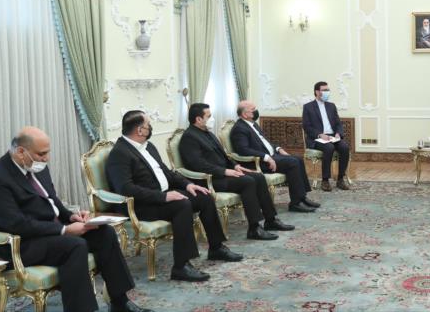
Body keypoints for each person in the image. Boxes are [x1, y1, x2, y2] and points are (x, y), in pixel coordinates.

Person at [0, 127, 150, 312]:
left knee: (104, 233)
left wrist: (70, 216)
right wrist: (64, 230)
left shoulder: (36, 166)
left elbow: (52, 200)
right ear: (21, 152)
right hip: (19, 244)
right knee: (74, 245)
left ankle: (120, 302)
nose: (46, 158)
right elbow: (17, 224)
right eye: (41, 154)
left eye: (47, 152)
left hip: (46, 231)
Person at [106, 111, 242, 282]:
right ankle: (181, 266)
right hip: (141, 205)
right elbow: (126, 188)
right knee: (182, 205)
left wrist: (188, 185)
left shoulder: (148, 146)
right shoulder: (120, 153)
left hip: (162, 195)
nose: (150, 127)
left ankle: (216, 248)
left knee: (204, 195)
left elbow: (167, 172)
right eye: (148, 125)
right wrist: (163, 197)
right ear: (140, 130)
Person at [179, 103, 295, 240]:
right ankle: (254, 228)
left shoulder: (208, 133)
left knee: (258, 177)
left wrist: (235, 166)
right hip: (209, 179)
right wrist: (224, 171)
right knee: (247, 181)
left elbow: (224, 156)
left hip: (223, 174)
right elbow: (197, 165)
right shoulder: (189, 137)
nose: (212, 119)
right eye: (209, 116)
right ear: (198, 119)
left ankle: (271, 220)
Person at [230, 100, 321, 213]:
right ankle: (296, 203)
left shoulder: (253, 124)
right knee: (292, 163)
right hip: (259, 162)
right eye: (253, 110)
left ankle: (302, 197)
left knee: (298, 158)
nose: (256, 111)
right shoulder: (239, 129)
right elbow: (243, 150)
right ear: (244, 114)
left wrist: (278, 148)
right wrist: (266, 157)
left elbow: (265, 142)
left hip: (273, 155)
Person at [302, 81, 351, 191]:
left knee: (344, 147)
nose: (327, 92)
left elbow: (338, 123)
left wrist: (338, 133)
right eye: (324, 90)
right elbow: (306, 126)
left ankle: (340, 179)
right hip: (318, 138)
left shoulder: (331, 106)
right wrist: (320, 134)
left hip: (332, 137)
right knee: (329, 147)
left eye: (328, 90)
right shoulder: (308, 107)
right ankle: (325, 180)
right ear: (317, 92)